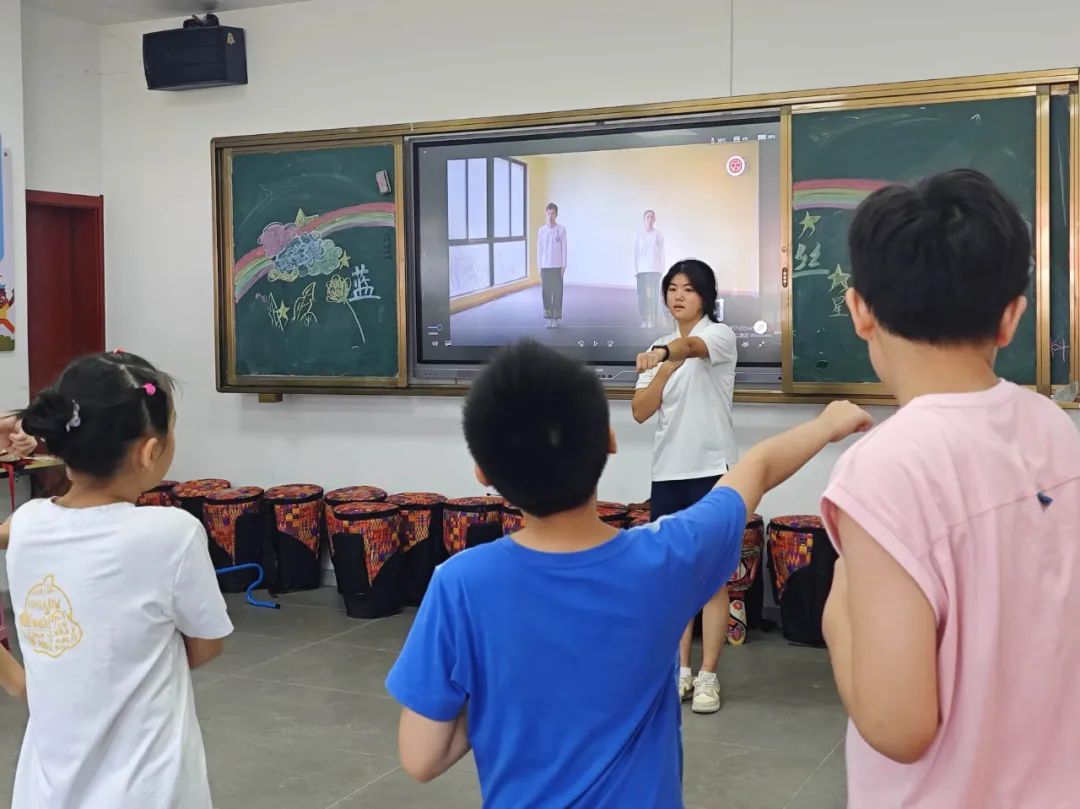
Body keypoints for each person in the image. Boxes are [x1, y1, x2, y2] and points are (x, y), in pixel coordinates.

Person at [385, 339, 870, 807]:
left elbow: (422, 757)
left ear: (483, 473)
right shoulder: (667, 557)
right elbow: (757, 469)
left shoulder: (460, 584)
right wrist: (828, 424)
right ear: (609, 441)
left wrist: (502, 689)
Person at [820, 169, 1080, 808]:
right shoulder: (1053, 425)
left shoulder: (883, 469)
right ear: (1012, 317)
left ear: (859, 310)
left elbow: (897, 725)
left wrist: (835, 615)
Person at [6, 351, 233, 809]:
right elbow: (206, 645)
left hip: (44, 792)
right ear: (151, 451)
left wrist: (20, 682)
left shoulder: (26, 523)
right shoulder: (173, 534)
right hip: (150, 791)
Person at [631, 258, 737, 714]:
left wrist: (667, 354)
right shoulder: (657, 350)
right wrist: (662, 367)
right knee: (674, 577)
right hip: (668, 473)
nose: (678, 296)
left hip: (712, 469)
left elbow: (691, 347)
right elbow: (640, 410)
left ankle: (709, 675)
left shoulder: (719, 336)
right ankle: (682, 671)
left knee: (711, 578)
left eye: (689, 289)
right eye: (672, 288)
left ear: (705, 297)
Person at [537, 202, 567, 328]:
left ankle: (556, 318)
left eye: (553, 213)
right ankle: (549, 318)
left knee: (557, 293)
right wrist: (539, 267)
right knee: (546, 293)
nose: (550, 216)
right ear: (546, 214)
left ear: (556, 215)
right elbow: (539, 250)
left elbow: (564, 248)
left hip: (557, 267)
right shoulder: (541, 231)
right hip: (545, 267)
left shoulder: (561, 230)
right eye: (548, 213)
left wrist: (564, 265)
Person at [634, 210, 666, 328]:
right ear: (644, 219)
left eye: (652, 217)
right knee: (642, 297)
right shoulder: (638, 235)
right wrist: (635, 270)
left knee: (653, 297)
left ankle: (652, 320)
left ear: (654, 219)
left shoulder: (658, 234)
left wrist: (662, 269)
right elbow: (635, 254)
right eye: (648, 217)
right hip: (642, 271)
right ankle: (644, 320)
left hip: (655, 270)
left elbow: (662, 253)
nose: (650, 219)